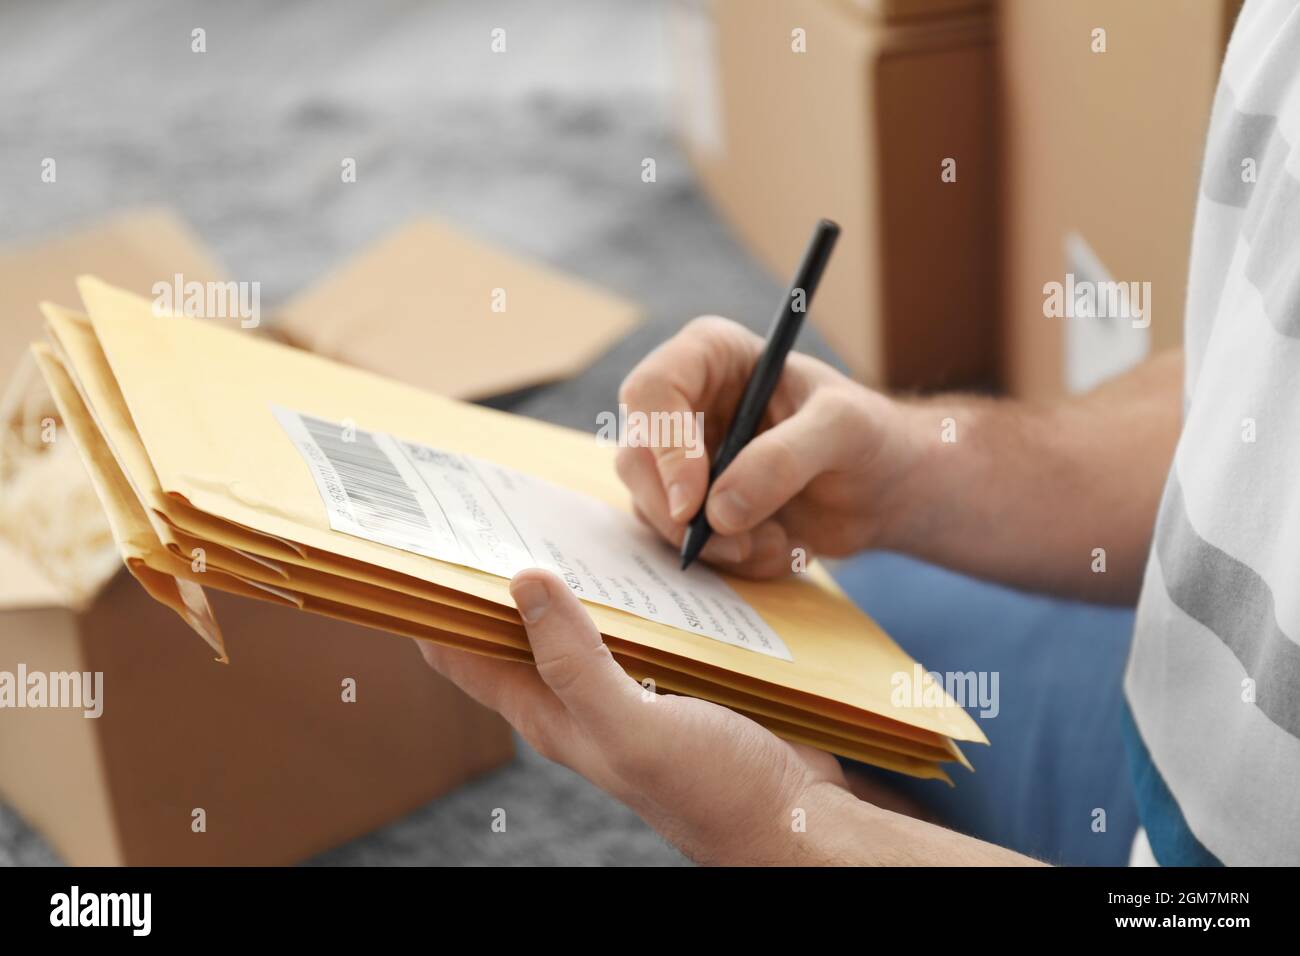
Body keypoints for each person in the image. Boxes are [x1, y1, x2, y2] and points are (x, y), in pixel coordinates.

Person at [419, 0, 1300, 865]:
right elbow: (1242, 379)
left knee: (787, 706)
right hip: (1177, 714)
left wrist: (789, 828)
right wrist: (904, 465)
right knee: (842, 608)